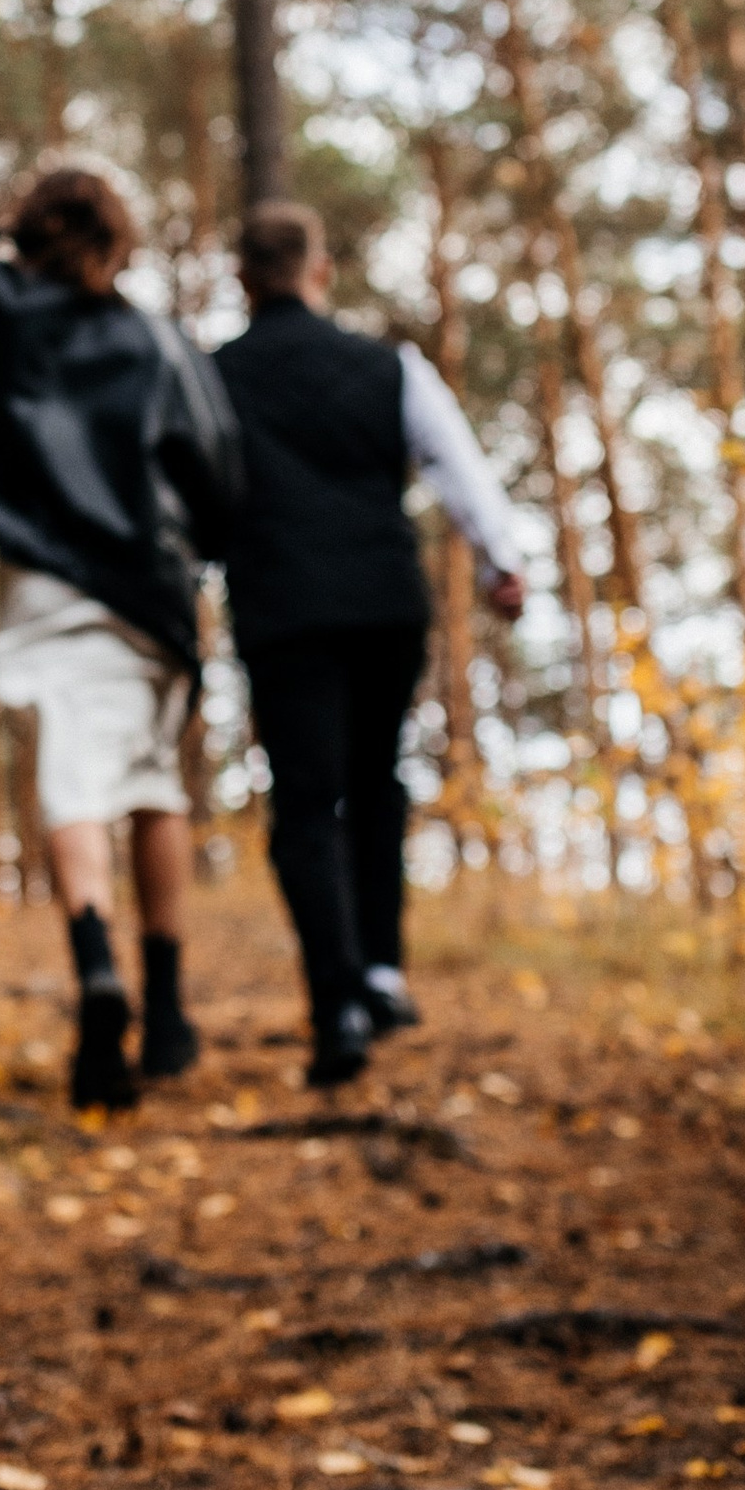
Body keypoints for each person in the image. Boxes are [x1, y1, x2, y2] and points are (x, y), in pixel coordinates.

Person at [0, 49, 240, 1112]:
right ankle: (166, 1006)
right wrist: (202, 560)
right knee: (151, 782)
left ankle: (99, 971)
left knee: (71, 781)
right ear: (117, 242)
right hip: (152, 592)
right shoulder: (161, 344)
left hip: (48, 583)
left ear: (28, 234)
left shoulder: (3, 317)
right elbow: (217, 471)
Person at [216, 201, 525, 1087]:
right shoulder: (390, 366)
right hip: (385, 600)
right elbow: (455, 462)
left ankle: (338, 1005)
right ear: (320, 272)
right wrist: (502, 563)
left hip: (282, 606)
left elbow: (189, 488)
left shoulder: (212, 375)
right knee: (377, 779)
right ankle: (381, 971)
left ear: (243, 280)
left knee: (306, 803)